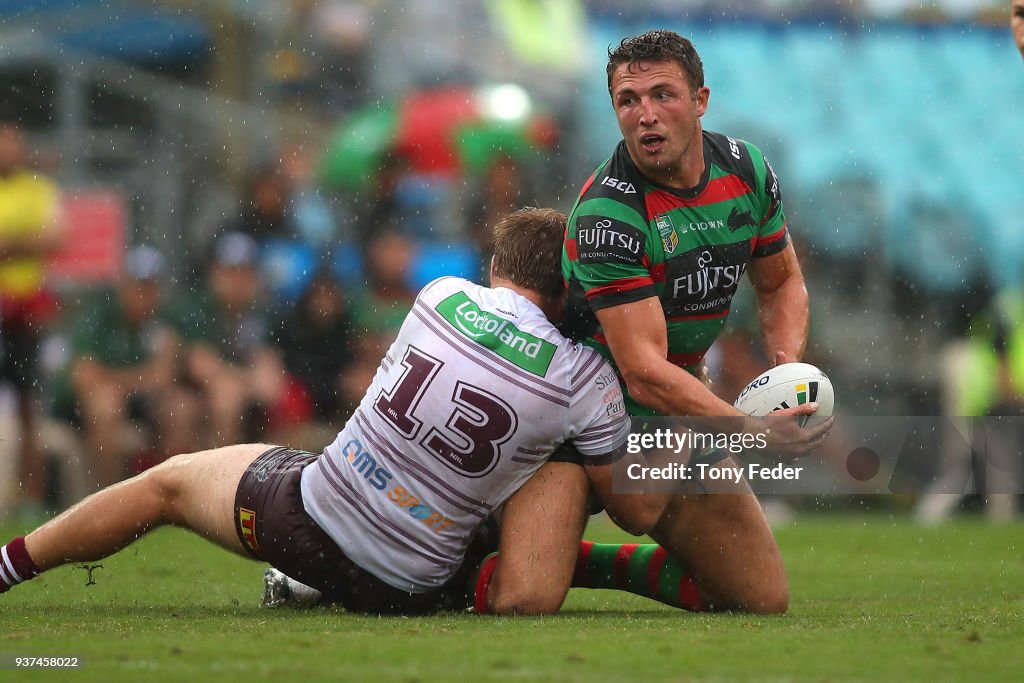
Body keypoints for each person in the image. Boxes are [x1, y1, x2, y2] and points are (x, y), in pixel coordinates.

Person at [0, 208, 664, 616]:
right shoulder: (583, 376)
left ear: (495, 264)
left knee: (166, 484)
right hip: (407, 586)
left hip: (307, 520)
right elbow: (634, 508)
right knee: (548, 462)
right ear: (564, 292)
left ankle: (10, 565)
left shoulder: (440, 294)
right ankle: (598, 567)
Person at [542, 29, 831, 614]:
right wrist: (747, 429)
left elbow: (780, 282)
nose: (645, 115)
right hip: (575, 413)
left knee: (759, 597)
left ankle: (582, 562)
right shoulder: (609, 213)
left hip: (676, 403)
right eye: (628, 100)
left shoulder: (746, 170)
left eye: (662, 95)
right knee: (528, 592)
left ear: (700, 100)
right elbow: (643, 374)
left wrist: (787, 367)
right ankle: (519, 548)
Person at [51, 246, 199, 490]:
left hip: (143, 402)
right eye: (138, 286)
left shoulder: (165, 320)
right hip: (78, 409)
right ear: (123, 287)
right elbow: (84, 377)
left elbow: (167, 375)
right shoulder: (99, 315)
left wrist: (120, 380)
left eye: (151, 287)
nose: (144, 295)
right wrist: (138, 379)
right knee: (105, 405)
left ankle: (174, 494)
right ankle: (107, 495)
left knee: (181, 408)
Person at [0, 122, 66, 513]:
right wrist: (23, 242)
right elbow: (38, 239)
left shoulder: (39, 189)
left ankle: (31, 496)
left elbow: (55, 237)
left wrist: (9, 243)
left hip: (25, 311)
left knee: (29, 405)